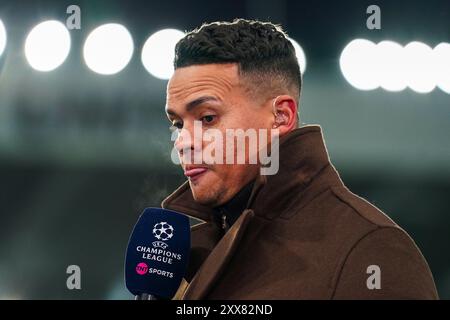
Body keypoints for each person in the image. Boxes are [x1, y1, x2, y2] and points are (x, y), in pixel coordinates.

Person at [162, 19, 438, 299]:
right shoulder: (183, 261)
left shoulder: (369, 250)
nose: (183, 143)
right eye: (178, 124)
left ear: (281, 116)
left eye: (208, 118)